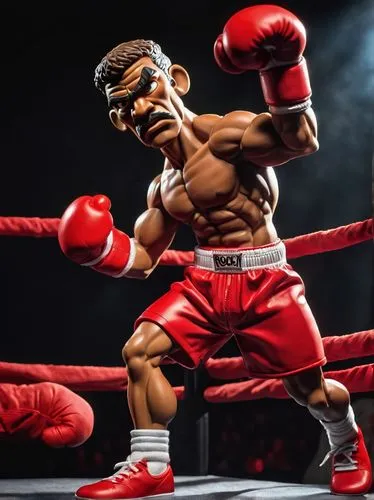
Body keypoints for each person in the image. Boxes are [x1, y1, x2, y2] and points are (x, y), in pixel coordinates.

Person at [58, 5, 372, 499]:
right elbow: (142, 259)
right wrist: (98, 248)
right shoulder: (161, 189)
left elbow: (301, 139)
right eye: (127, 105)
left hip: (266, 280)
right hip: (205, 285)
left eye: (146, 87)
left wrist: (282, 67)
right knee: (140, 351)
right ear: (121, 121)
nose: (142, 108)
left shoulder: (228, 136)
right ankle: (150, 465)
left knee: (309, 392)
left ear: (175, 80)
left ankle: (347, 442)